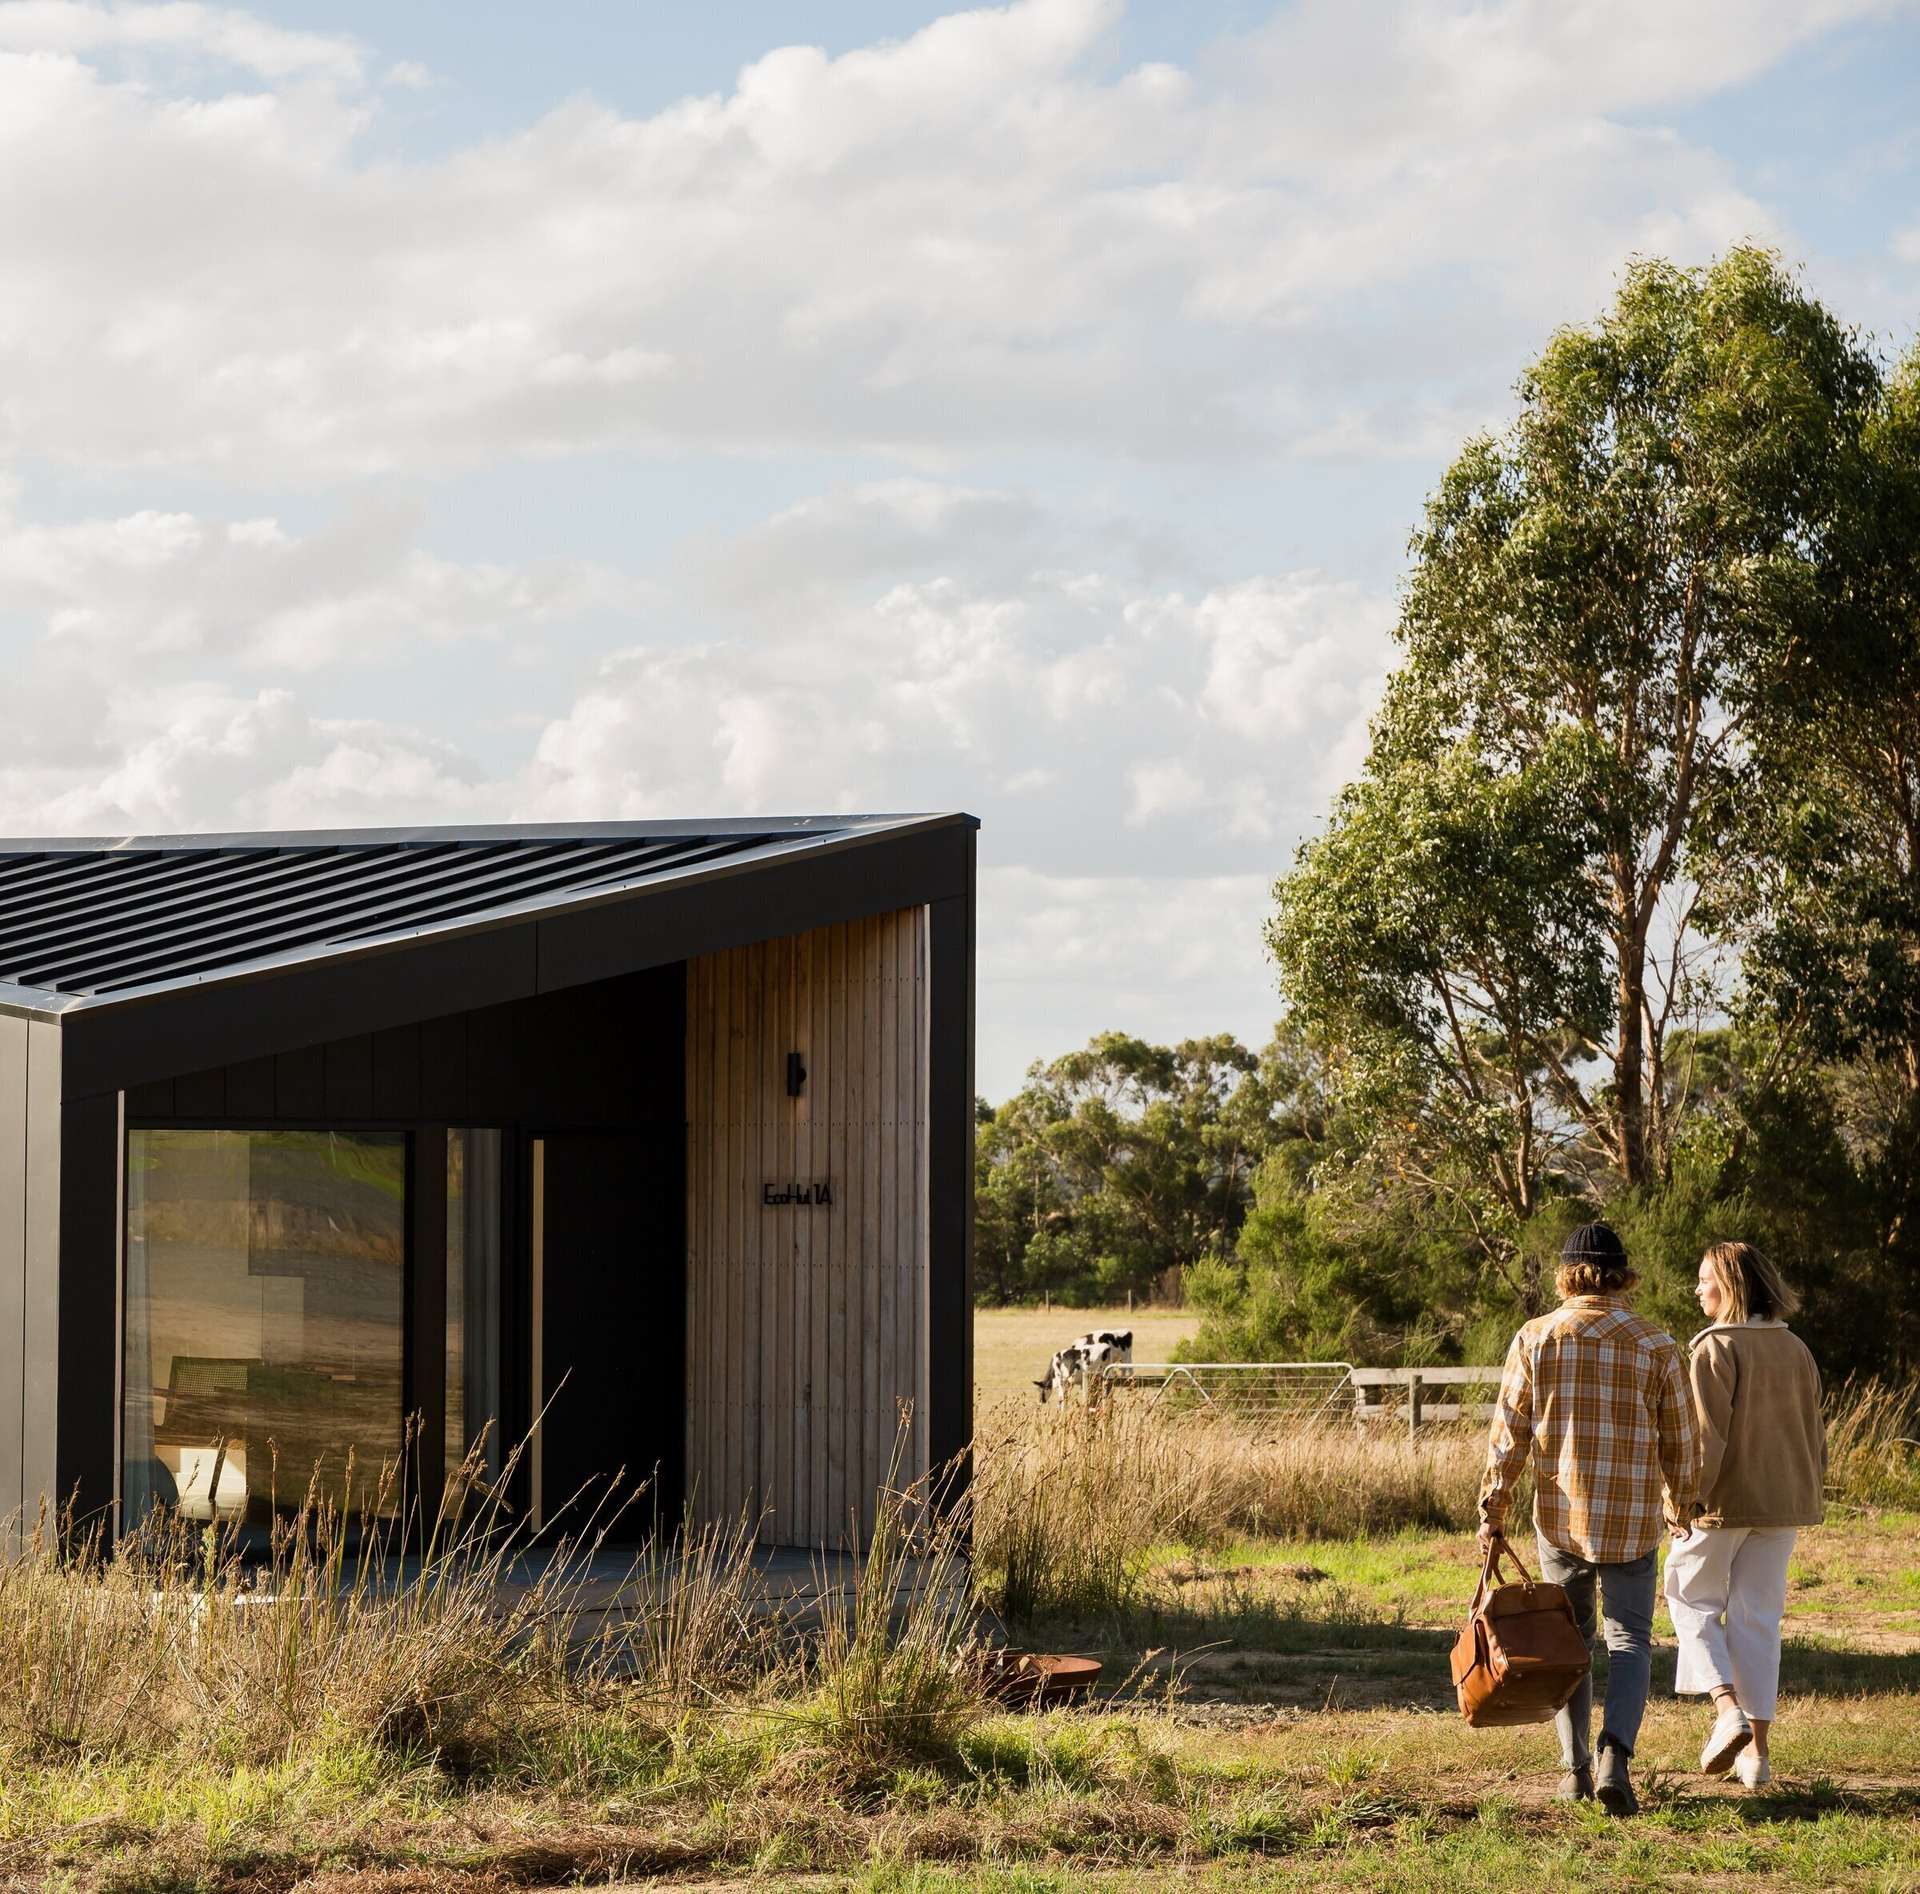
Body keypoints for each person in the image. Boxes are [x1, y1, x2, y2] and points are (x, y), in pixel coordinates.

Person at [1479, 1223, 1698, 1817]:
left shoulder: (1536, 1338)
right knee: (1629, 1642)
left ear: (1568, 1274)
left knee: (1568, 1642)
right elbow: (1681, 1440)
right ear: (1623, 1274)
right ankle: (1615, 1758)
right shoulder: (1656, 1342)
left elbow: (1508, 1437)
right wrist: (1682, 1504)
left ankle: (1574, 1770)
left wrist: (1492, 1510)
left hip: (1561, 1518)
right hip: (1630, 1519)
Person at [1665, 1241, 1825, 1790]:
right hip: (1784, 1504)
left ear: (1729, 1285)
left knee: (1688, 1598)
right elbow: (1812, 1431)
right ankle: (1756, 1755)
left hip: (1722, 1505)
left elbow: (1707, 1439)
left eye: (1704, 1279)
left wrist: (1682, 1498)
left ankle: (1724, 1707)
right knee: (1759, 1620)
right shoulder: (1796, 1348)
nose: (1696, 1289)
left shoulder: (1714, 1347)